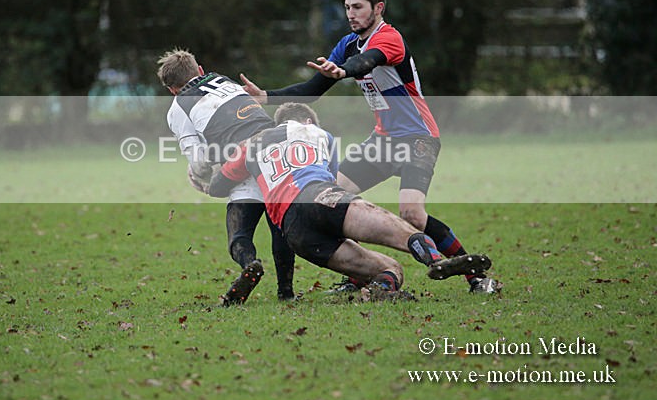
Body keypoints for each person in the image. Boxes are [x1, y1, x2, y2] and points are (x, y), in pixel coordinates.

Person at [240, 0, 499, 294]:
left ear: (378, 8)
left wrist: (345, 71)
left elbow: (369, 60)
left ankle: (476, 276)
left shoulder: (390, 39)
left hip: (418, 138)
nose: (351, 14)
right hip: (382, 140)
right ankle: (361, 277)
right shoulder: (347, 43)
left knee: (413, 214)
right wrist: (266, 96)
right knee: (334, 201)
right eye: (347, 7)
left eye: (358, 7)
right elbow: (311, 90)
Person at [205, 102, 492, 300]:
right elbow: (331, 180)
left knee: (390, 269)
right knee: (402, 233)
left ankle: (376, 292)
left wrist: (205, 182)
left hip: (296, 233)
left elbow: (220, 185)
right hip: (320, 197)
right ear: (307, 121)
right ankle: (435, 260)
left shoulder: (250, 145)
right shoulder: (318, 133)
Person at [156, 48, 295, 305]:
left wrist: (198, 174)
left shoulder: (178, 106)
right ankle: (286, 292)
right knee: (280, 227)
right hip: (276, 151)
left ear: (172, 90)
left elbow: (198, 160)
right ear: (200, 71)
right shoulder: (224, 80)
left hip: (241, 162)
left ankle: (249, 263)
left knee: (239, 233)